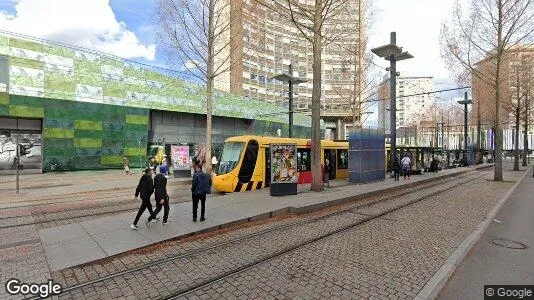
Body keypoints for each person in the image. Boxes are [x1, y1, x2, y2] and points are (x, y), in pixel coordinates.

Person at [191, 158, 212, 222]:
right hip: (203, 193)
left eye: (196, 168)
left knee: (195, 206)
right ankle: (202, 217)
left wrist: (192, 190)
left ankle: (195, 218)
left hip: (196, 193)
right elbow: (210, 183)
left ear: (198, 168)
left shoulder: (196, 174)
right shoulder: (207, 175)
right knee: (203, 205)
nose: (195, 169)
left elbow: (194, 184)